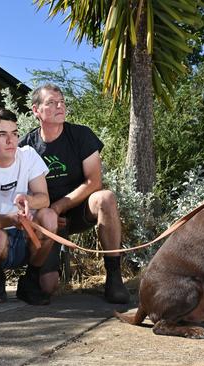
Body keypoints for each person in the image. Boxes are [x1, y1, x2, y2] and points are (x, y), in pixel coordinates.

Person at [19, 83, 130, 304]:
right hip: (48, 219)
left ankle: (114, 276)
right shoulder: (26, 146)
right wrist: (45, 214)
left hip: (78, 210)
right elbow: (21, 190)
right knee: (47, 287)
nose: (60, 106)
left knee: (105, 197)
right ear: (36, 111)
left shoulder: (81, 135)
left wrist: (58, 207)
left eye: (61, 102)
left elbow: (94, 181)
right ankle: (36, 275)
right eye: (51, 103)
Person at [0, 107, 57, 305]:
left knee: (49, 217)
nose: (11, 141)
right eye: (2, 135)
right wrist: (11, 219)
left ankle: (30, 280)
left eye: (15, 134)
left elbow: (44, 198)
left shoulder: (29, 155)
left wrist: (28, 200)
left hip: (23, 233)